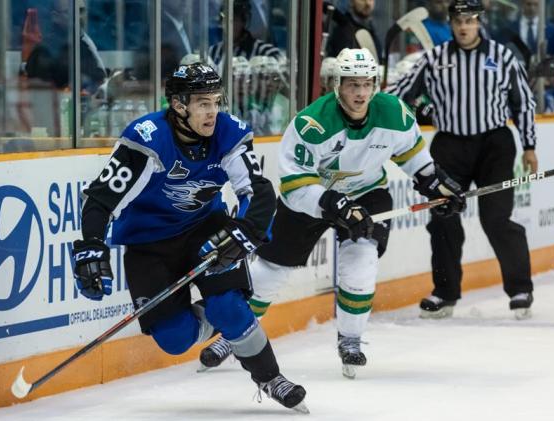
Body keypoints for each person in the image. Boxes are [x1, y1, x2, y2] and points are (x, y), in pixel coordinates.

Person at [199, 48, 466, 378]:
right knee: (269, 273)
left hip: (368, 194)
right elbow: (296, 186)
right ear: (337, 85)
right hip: (312, 199)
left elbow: (415, 159)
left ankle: (351, 340)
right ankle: (232, 334)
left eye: (367, 84)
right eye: (352, 84)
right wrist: (332, 202)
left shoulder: (394, 113)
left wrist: (437, 186)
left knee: (361, 263)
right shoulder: (311, 123)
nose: (360, 93)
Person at [71, 63, 307, 412]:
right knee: (175, 338)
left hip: (203, 229)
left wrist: (246, 230)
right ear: (179, 105)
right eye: (202, 103)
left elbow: (257, 191)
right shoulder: (148, 137)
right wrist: (91, 245)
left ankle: (270, 377)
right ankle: (220, 315)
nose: (212, 111)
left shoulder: (228, 132)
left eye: (216, 101)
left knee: (227, 304)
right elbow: (102, 197)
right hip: (147, 243)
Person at [388, 0, 538, 320]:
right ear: (451, 23)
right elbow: (397, 96)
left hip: (494, 145)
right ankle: (445, 292)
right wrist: (408, 111)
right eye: (458, 20)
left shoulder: (502, 56)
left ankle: (520, 288)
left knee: (496, 219)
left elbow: (522, 102)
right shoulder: (434, 59)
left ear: (479, 22)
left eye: (470, 20)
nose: (464, 26)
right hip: (450, 145)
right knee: (443, 217)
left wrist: (529, 146)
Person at [22, 0, 107, 93]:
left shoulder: (83, 42)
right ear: (56, 17)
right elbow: (39, 91)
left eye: (81, 11)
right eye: (69, 12)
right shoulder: (44, 51)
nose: (78, 17)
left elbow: (99, 79)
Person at [209, 0, 284, 69]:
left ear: (244, 22)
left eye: (234, 20)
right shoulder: (214, 51)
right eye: (225, 19)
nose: (229, 24)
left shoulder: (266, 51)